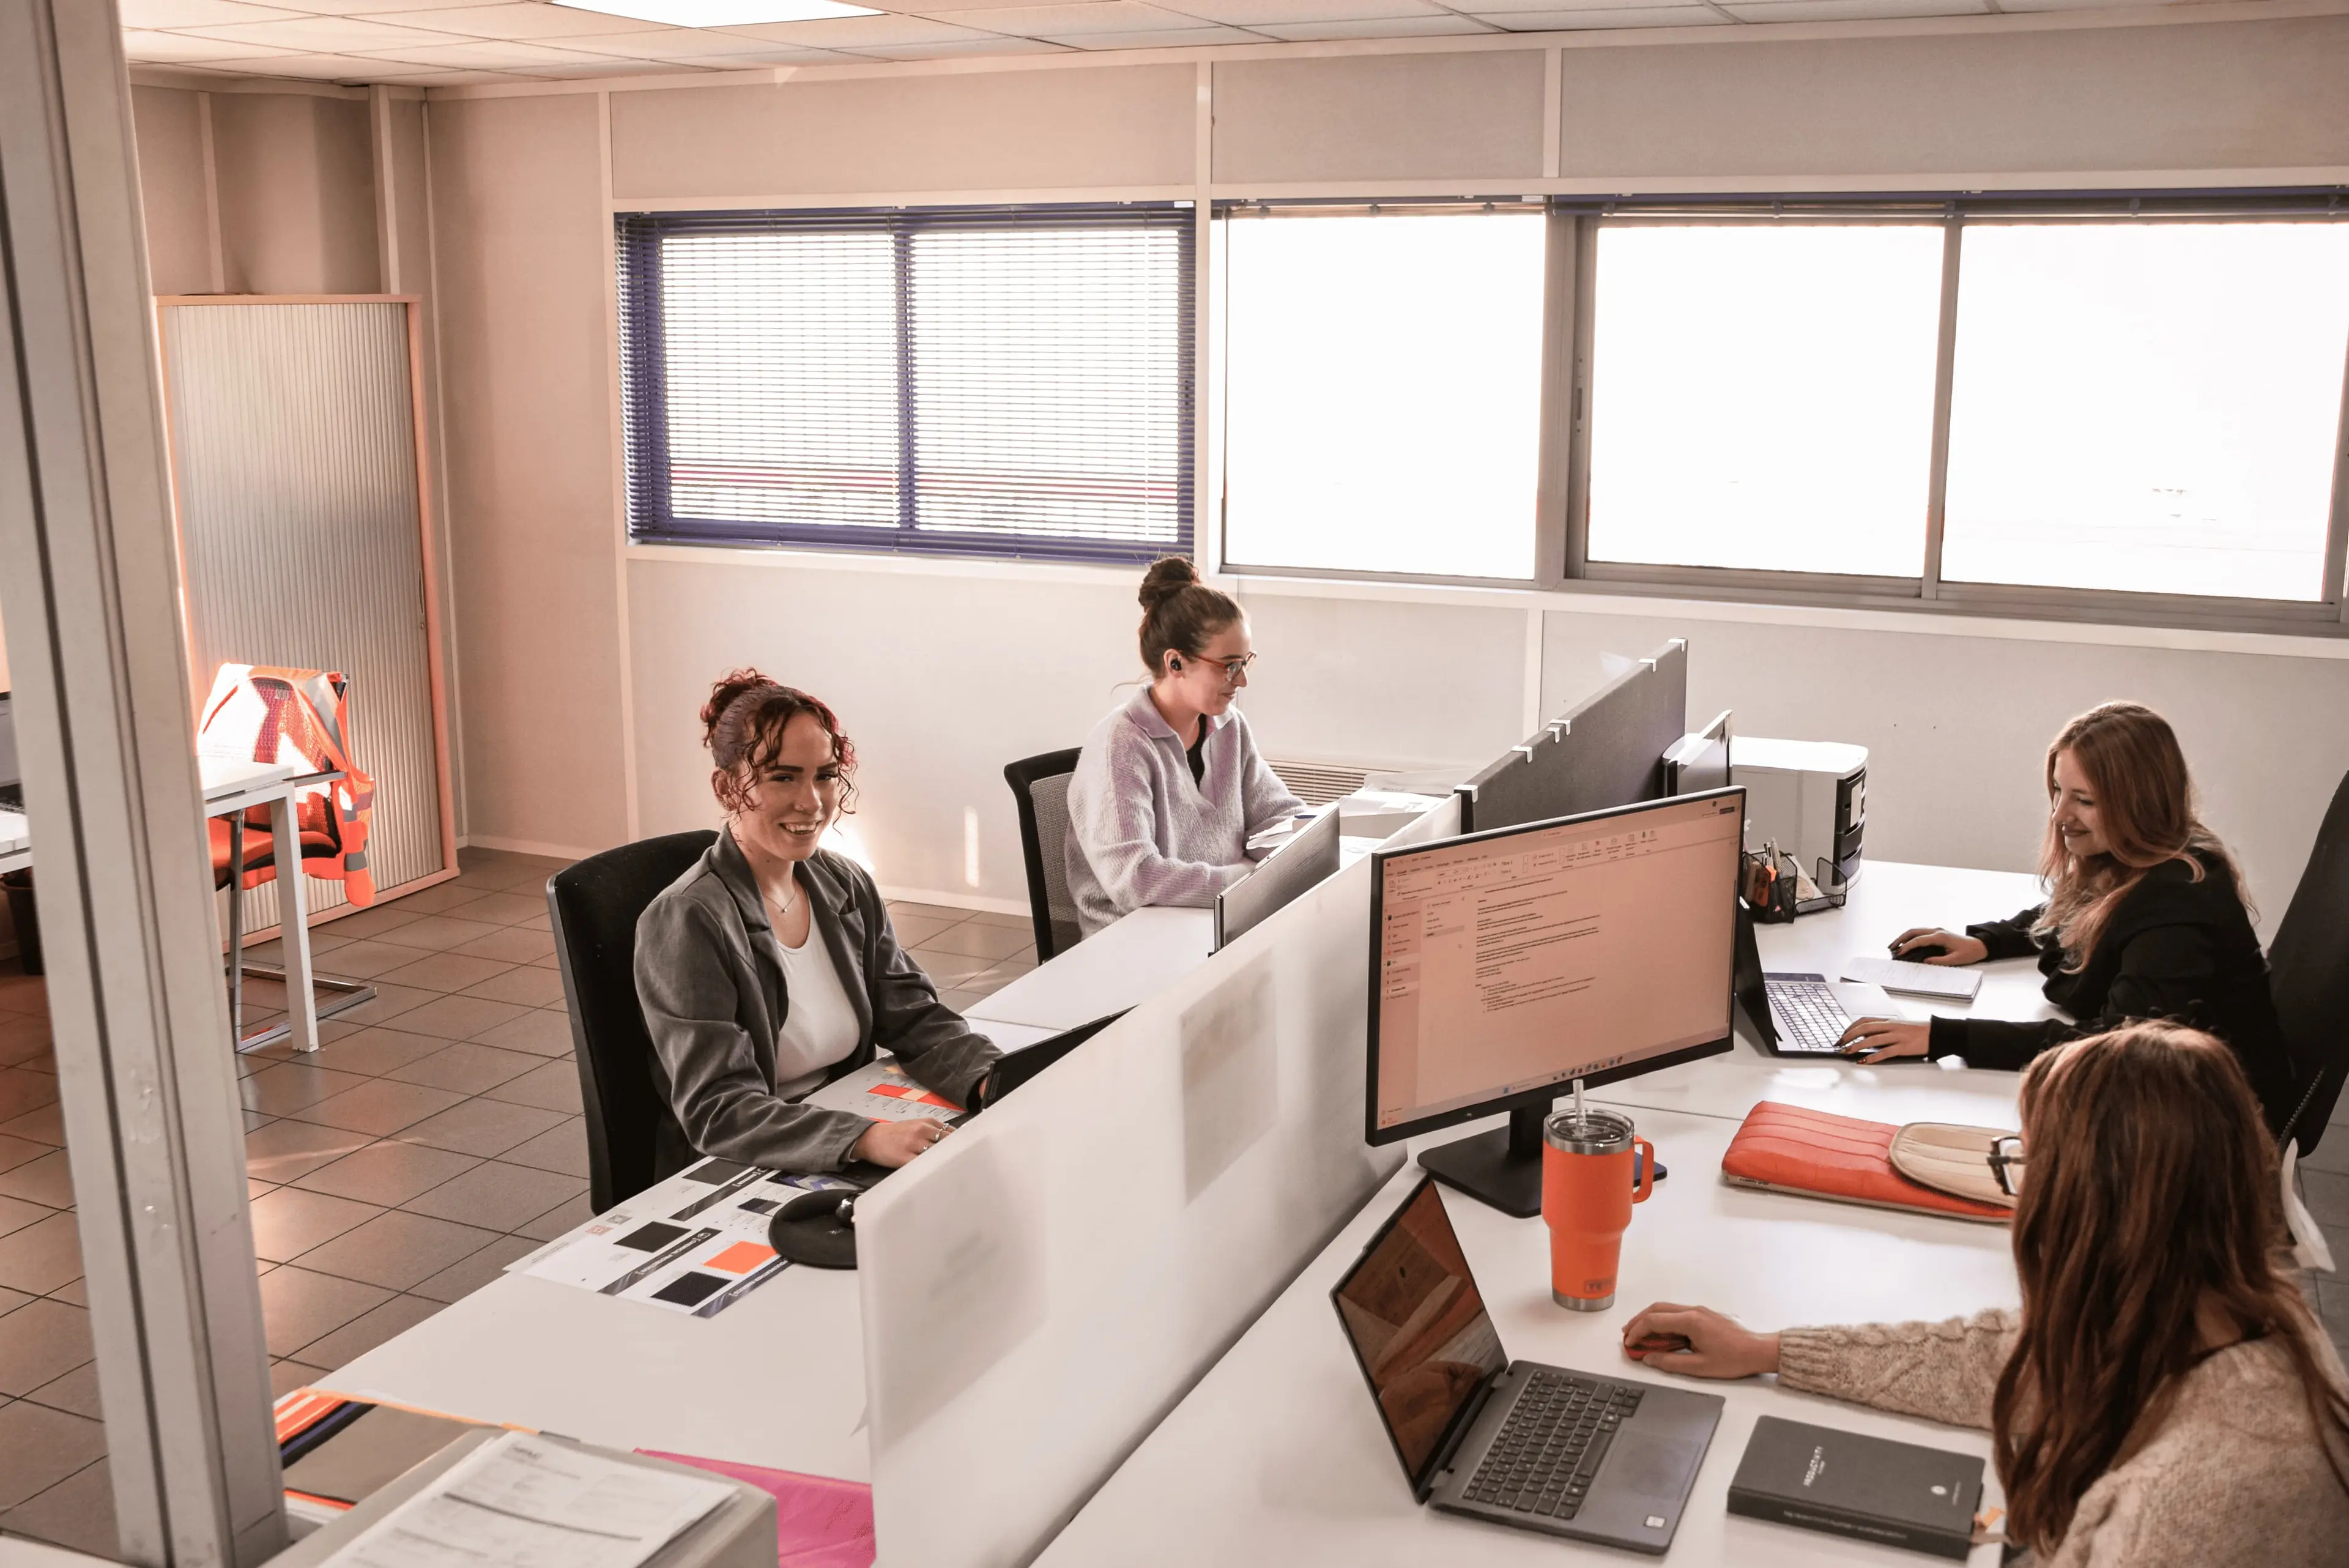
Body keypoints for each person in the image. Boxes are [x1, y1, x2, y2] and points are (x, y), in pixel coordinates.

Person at [1622, 1023, 2349, 1568]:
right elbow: (2000, 1358)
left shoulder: (2174, 1513)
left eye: (2030, 1165)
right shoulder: (2235, 1315)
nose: (2019, 1191)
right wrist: (1769, 1349)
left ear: (2089, 1214)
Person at [1836, 700, 2292, 1128]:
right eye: (2057, 789)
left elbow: (2110, 1044)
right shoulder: (2148, 854)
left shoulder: (2180, 904)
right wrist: (1988, 941)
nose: (2059, 814)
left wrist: (1943, 1037)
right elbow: (2085, 908)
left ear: (2138, 804)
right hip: (2170, 1089)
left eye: (2084, 800)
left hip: (2214, 1122)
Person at [635, 671, 1000, 1177]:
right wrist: (864, 1138)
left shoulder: (843, 882)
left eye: (824, 775)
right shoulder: (687, 918)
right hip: (749, 1159)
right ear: (725, 788)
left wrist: (993, 1078)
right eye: (783, 777)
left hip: (840, 1124)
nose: (812, 801)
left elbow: (913, 1016)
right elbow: (719, 1109)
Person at [1064, 557, 1308, 937]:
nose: (1241, 680)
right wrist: (1248, 878)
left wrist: (1300, 845)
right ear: (1175, 662)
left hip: (1213, 921)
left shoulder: (1231, 728)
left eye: (1245, 663)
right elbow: (1137, 880)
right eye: (1228, 665)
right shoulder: (1120, 748)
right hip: (1134, 943)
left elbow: (1277, 815)